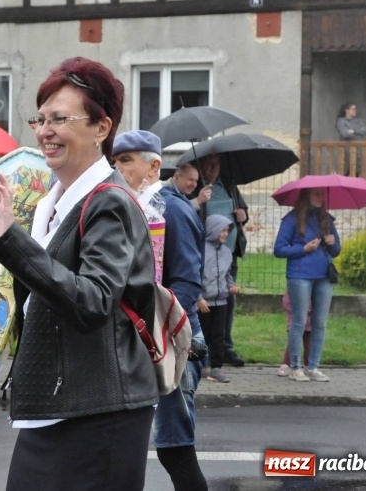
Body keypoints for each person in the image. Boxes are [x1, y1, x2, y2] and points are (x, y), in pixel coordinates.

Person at [0, 58, 158, 491]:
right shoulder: (54, 203)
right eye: (41, 119)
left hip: (99, 409)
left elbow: (91, 302)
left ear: (101, 128)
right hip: (59, 402)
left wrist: (11, 242)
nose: (44, 131)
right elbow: (40, 296)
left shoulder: (110, 202)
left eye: (60, 119)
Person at [111, 133, 208, 491]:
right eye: (115, 160)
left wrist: (155, 332)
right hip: (144, 339)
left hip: (173, 341)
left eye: (126, 160)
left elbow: (185, 283)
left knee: (173, 446)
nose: (116, 168)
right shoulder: (132, 205)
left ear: (153, 166)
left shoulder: (172, 209)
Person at [273, 187, 341, 382]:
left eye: (323, 193)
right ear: (306, 195)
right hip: (300, 275)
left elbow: (336, 251)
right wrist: (303, 248)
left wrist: (332, 242)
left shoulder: (326, 219)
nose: (321, 196)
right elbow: (279, 249)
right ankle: (295, 367)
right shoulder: (291, 219)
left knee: (320, 324)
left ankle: (313, 366)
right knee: (299, 321)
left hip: (324, 277)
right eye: (317, 193)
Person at [196, 153, 248, 367]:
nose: (213, 168)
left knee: (227, 300)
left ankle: (224, 348)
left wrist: (243, 214)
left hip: (228, 253)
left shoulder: (229, 184)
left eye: (217, 164)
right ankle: (204, 351)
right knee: (206, 304)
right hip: (206, 253)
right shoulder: (197, 186)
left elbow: (243, 211)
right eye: (210, 164)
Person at [197, 214, 239, 384]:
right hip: (203, 302)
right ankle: (201, 365)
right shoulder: (201, 250)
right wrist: (198, 298)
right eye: (222, 230)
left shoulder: (227, 252)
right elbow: (195, 275)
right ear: (213, 229)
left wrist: (231, 286)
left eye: (227, 230)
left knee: (219, 335)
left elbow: (227, 275)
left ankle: (216, 367)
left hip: (221, 301)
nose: (224, 233)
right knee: (203, 335)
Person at [277, 291, 311, 377]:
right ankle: (287, 364)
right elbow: (287, 301)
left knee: (309, 343)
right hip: (295, 320)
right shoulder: (294, 285)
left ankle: (309, 365)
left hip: (310, 320)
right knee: (293, 343)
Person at [335, 102, 366, 175]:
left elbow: (364, 131)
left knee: (357, 171)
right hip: (346, 151)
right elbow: (345, 134)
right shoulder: (341, 121)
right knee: (345, 171)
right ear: (347, 110)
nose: (355, 111)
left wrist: (353, 131)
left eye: (355, 109)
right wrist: (358, 133)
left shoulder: (359, 120)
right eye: (353, 109)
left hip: (357, 150)